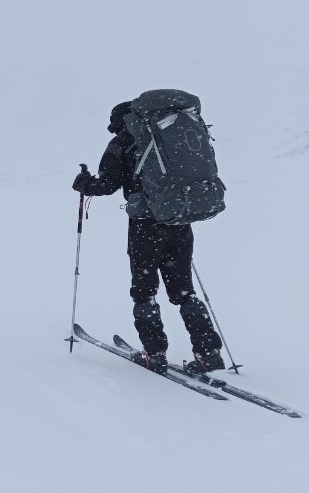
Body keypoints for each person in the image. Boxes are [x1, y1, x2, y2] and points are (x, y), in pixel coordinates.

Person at [72, 101, 226, 373]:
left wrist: (83, 183)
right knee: (184, 290)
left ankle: (154, 353)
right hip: (178, 220)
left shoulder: (122, 143)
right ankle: (209, 352)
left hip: (145, 227)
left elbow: (106, 185)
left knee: (145, 292)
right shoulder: (167, 139)